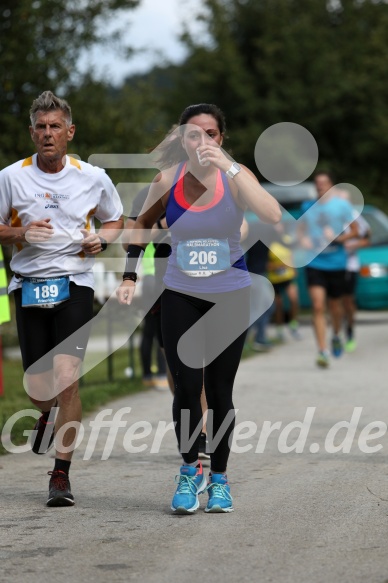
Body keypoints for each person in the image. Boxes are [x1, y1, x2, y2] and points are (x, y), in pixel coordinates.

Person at [117, 103, 280, 513]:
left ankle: (220, 481)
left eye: (211, 134)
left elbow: (272, 214)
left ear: (221, 138)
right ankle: (190, 472)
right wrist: (129, 276)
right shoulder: (168, 180)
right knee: (188, 388)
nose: (203, 141)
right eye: (194, 134)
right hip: (180, 294)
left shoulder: (237, 177)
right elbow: (139, 228)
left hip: (229, 295)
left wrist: (229, 166)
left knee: (221, 392)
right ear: (182, 140)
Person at [0, 91, 123, 506]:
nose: (48, 134)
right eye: (41, 127)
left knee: (68, 376)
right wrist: (22, 233)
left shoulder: (92, 175)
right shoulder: (11, 177)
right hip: (29, 284)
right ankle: (44, 411)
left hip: (75, 282)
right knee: (40, 388)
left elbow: (115, 219)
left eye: (55, 127)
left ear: (69, 132)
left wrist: (101, 241)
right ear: (31, 133)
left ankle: (60, 474)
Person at [298, 171, 358, 368]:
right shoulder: (307, 207)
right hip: (315, 262)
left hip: (336, 262)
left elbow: (356, 231)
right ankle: (322, 351)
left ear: (331, 186)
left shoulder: (342, 205)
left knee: (335, 306)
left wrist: (340, 238)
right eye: (317, 183)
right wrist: (303, 240)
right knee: (317, 305)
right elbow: (300, 230)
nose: (320, 186)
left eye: (324, 183)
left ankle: (337, 335)